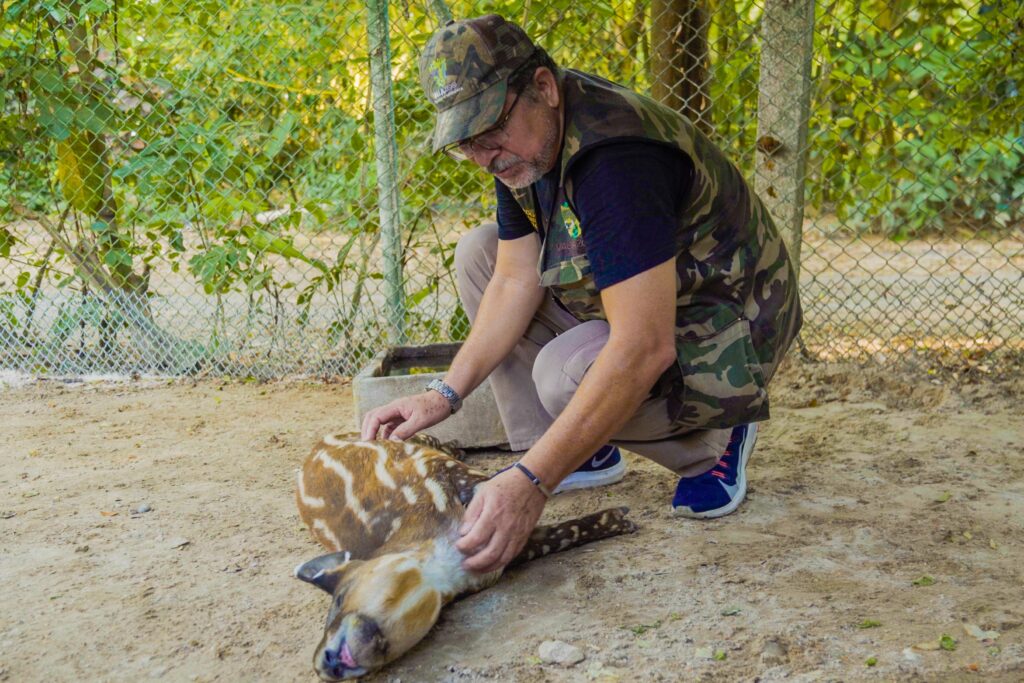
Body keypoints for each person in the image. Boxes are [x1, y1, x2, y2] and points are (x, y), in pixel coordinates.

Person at [360, 14, 802, 575]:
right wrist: (442, 394)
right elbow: (514, 278)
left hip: (730, 325)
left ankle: (714, 441)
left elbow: (643, 347)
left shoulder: (615, 159)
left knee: (563, 375)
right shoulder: (526, 138)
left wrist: (530, 483)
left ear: (542, 87)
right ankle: (577, 444)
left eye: (490, 132)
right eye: (466, 142)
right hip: (659, 296)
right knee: (481, 253)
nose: (483, 155)